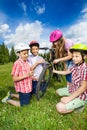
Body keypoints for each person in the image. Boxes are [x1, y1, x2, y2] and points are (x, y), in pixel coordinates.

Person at [53, 43, 87, 114]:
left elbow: (83, 88)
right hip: (73, 89)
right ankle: (73, 99)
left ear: (84, 56)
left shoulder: (85, 69)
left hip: (81, 95)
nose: (74, 58)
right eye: (73, 56)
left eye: (77, 56)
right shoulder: (75, 65)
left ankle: (82, 104)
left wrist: (69, 98)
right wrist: (55, 71)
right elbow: (66, 72)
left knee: (59, 107)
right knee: (58, 92)